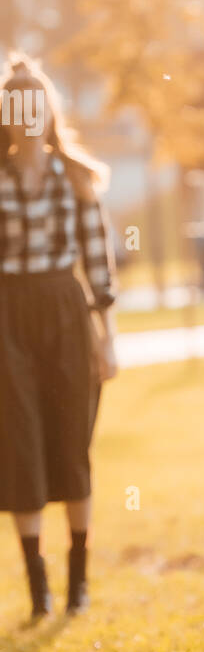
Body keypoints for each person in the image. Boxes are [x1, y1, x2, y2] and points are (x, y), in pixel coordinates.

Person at [0, 52, 118, 621]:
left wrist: (107, 337)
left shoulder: (75, 177)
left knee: (72, 444)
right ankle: (37, 589)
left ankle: (77, 583)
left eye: (35, 102)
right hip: (7, 315)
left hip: (66, 311)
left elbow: (97, 261)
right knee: (19, 446)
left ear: (47, 109)